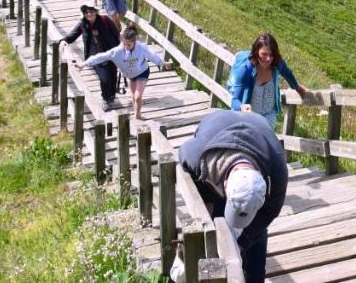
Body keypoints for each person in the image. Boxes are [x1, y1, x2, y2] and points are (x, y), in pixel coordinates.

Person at [177, 110, 288, 283]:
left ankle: (255, 278)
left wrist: (243, 242)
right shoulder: (199, 155)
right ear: (226, 186)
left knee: (256, 234)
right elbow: (183, 158)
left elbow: (268, 213)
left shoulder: (277, 171)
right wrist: (205, 200)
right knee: (216, 218)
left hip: (258, 131)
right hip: (216, 127)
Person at [85, 26, 171, 119]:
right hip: (131, 75)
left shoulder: (141, 48)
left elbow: (153, 56)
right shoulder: (117, 51)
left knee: (138, 96)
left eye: (129, 45)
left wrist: (164, 63)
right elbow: (101, 56)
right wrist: (85, 63)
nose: (126, 47)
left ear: (134, 42)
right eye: (124, 44)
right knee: (134, 96)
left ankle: (137, 115)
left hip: (142, 71)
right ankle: (136, 112)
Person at [230, 33, 307, 129]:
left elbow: (287, 73)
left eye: (271, 55)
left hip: (269, 119)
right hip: (249, 119)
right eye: (264, 54)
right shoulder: (246, 70)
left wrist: (296, 87)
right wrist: (242, 107)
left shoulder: (276, 65)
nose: (268, 59)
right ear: (256, 52)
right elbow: (235, 101)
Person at [60, 4, 121, 105]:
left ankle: (111, 97)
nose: (89, 14)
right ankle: (105, 99)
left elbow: (116, 34)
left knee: (112, 76)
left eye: (91, 11)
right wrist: (64, 40)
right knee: (105, 78)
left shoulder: (105, 20)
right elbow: (73, 34)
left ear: (96, 11)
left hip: (111, 53)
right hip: (94, 56)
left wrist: (120, 51)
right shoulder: (83, 24)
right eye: (86, 12)